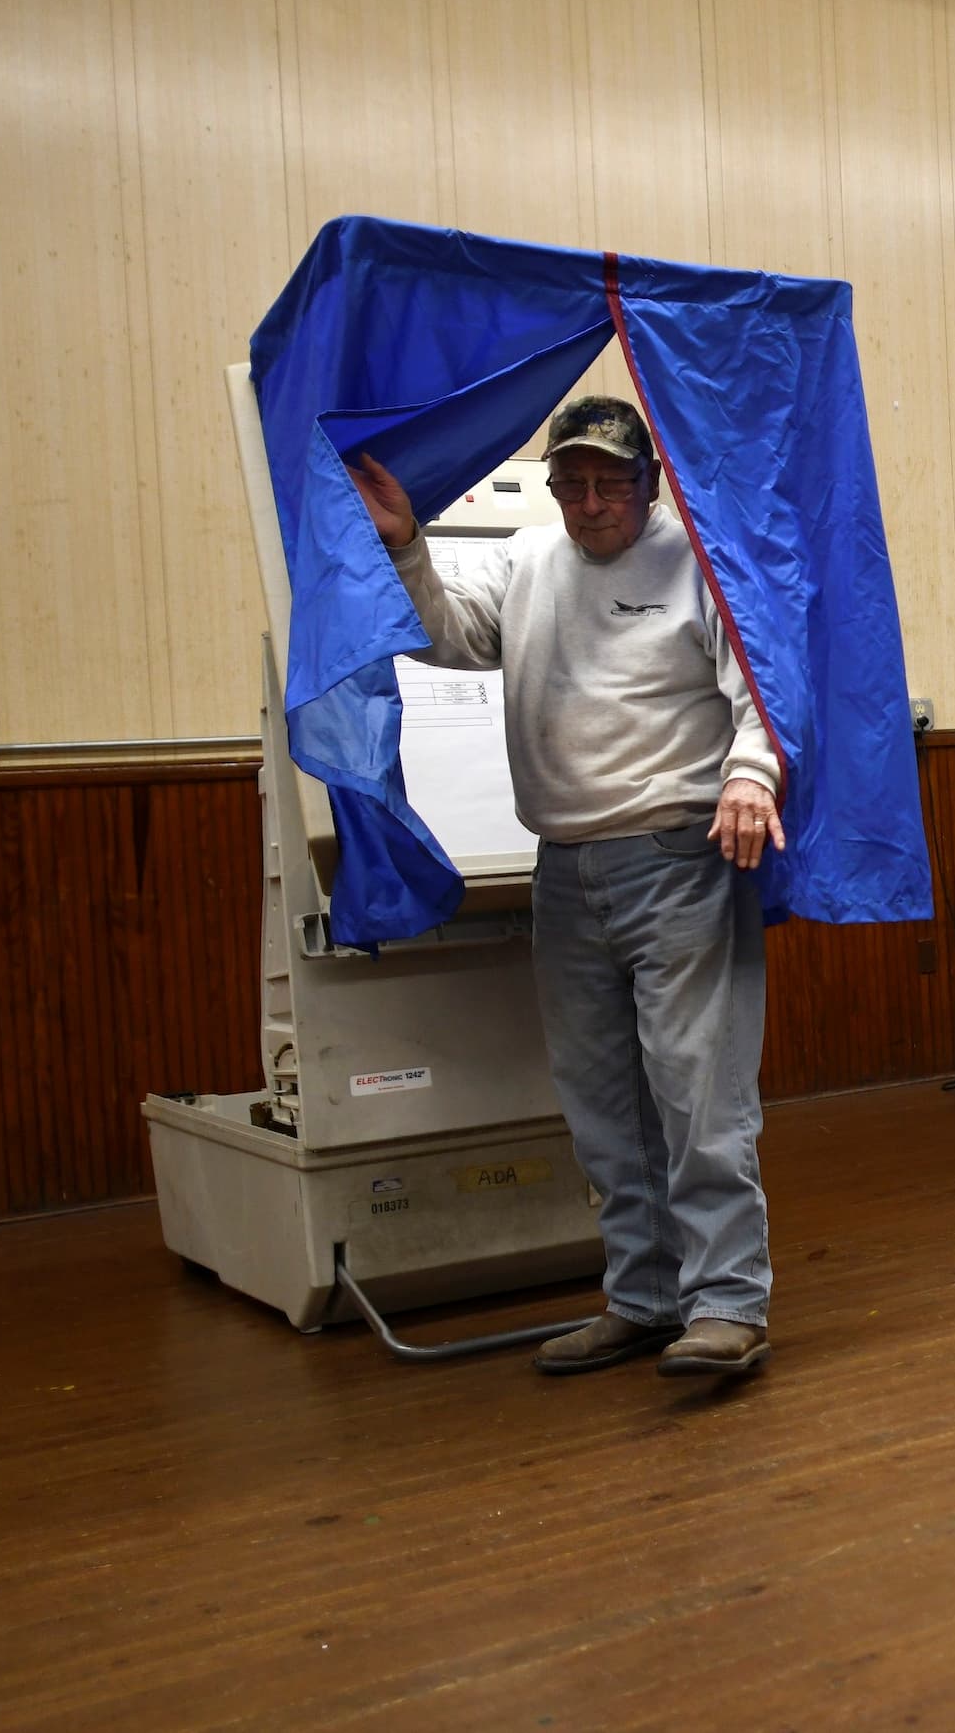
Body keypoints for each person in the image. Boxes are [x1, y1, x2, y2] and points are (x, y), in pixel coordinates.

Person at [348, 396, 783, 1377]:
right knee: (600, 1105)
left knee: (695, 1090)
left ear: (649, 481)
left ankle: (727, 1304)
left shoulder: (700, 561)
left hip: (676, 857)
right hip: (566, 868)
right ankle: (642, 1297)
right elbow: (450, 635)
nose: (590, 504)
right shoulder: (531, 559)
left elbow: (759, 680)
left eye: (609, 483)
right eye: (571, 483)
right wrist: (408, 547)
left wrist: (750, 773)